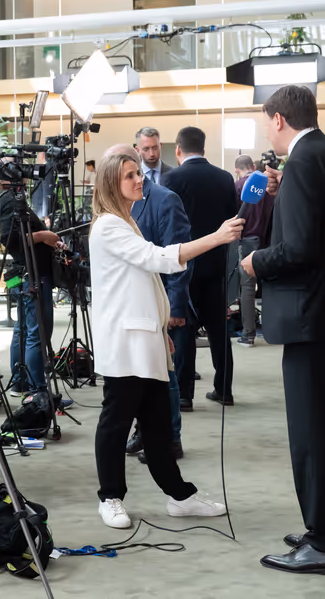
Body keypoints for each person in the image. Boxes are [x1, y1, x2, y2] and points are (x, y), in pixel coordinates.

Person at [241, 85, 325, 576]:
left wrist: (255, 262)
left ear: (277, 119)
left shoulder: (300, 165)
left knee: (313, 434)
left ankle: (321, 543)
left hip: (311, 316)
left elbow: (296, 249)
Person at [89, 149, 240, 529]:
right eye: (129, 176)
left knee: (157, 426)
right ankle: (110, 497)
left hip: (145, 338)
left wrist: (160, 329)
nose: (139, 180)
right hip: (126, 342)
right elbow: (158, 259)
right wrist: (216, 238)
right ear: (112, 182)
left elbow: (144, 282)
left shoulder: (126, 221)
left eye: (138, 173)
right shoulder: (109, 225)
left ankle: (180, 496)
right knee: (116, 421)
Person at [161, 127, 239, 406]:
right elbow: (233, 219)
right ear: (204, 149)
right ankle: (224, 389)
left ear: (178, 149)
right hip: (216, 264)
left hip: (182, 265)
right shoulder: (224, 178)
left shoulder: (170, 179)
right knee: (219, 330)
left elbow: (164, 223)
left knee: (183, 328)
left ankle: (184, 395)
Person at [126, 145, 192, 460]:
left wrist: (176, 306)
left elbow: (177, 255)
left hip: (160, 301)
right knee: (139, 375)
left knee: (164, 375)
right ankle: (145, 432)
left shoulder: (165, 199)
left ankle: (171, 439)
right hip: (130, 305)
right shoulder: (119, 207)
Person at [0, 173, 63, 397]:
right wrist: (43, 235)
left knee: (23, 329)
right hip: (29, 275)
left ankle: (21, 383)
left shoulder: (11, 198)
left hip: (23, 274)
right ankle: (38, 391)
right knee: (36, 333)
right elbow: (10, 239)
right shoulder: (10, 200)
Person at [233, 155, 275, 348]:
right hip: (266, 241)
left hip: (246, 241)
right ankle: (272, 331)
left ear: (237, 169)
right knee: (267, 287)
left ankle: (248, 335)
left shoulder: (238, 186)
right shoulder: (267, 187)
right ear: (252, 166)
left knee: (247, 289)